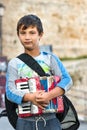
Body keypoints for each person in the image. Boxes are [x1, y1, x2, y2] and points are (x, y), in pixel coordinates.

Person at [6, 14, 73, 130]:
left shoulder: (51, 59)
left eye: (32, 33)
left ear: (40, 34)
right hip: (24, 122)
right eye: (23, 33)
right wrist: (31, 97)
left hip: (51, 120)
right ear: (18, 35)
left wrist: (49, 95)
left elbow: (67, 80)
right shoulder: (14, 63)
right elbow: (10, 92)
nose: (27, 37)